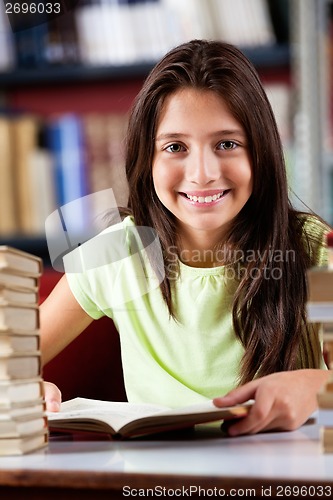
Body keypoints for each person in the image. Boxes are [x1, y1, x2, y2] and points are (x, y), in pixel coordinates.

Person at [42, 39, 332, 436]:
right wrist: (20, 389)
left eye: (227, 144)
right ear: (147, 159)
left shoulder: (315, 250)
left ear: (261, 153)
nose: (202, 173)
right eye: (175, 147)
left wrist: (317, 386)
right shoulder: (116, 254)